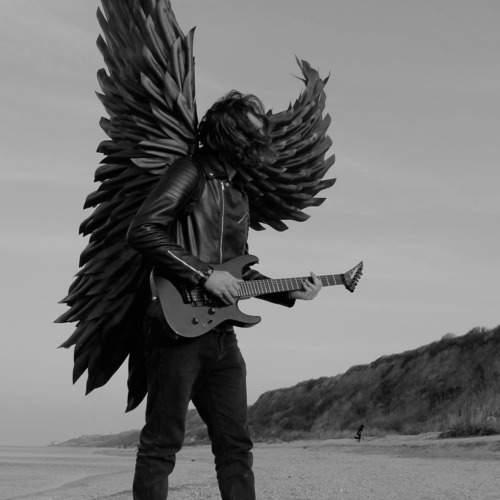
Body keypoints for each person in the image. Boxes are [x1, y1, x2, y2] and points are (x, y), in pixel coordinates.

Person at [127, 91, 322, 500]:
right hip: (175, 327)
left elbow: (239, 271)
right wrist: (203, 276)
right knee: (162, 443)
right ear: (229, 134)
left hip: (221, 334)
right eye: (252, 133)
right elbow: (144, 230)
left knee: (236, 445)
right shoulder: (189, 171)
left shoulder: (238, 195)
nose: (260, 141)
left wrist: (290, 292)